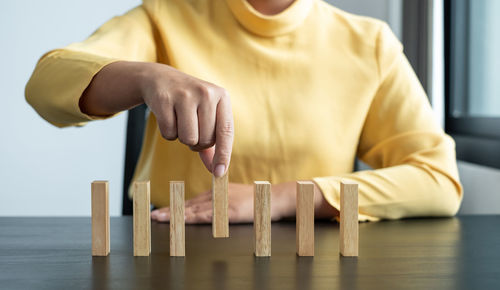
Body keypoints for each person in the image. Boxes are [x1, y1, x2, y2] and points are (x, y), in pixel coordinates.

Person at [25, 0, 463, 223]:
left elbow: (439, 182)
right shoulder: (165, 14)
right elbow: (46, 84)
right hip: (168, 249)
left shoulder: (371, 43)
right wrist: (143, 75)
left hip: (310, 257)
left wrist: (283, 198)